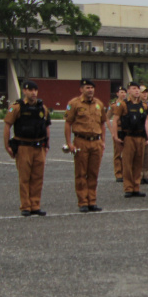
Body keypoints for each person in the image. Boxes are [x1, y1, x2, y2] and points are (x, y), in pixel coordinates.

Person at [4, 80, 50, 216]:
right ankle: (25, 206)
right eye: (30, 90)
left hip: (39, 146)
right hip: (24, 146)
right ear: (24, 91)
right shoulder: (17, 107)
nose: (33, 93)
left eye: (35, 90)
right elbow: (7, 125)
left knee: (37, 177)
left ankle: (35, 204)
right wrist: (7, 145)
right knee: (25, 178)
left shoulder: (42, 108)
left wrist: (47, 144)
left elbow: (46, 126)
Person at [64, 79, 108, 212]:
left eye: (92, 88)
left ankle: (92, 201)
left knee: (93, 173)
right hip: (81, 141)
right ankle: (83, 202)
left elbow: (102, 123)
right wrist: (69, 143)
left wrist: (103, 141)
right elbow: (68, 123)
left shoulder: (99, 104)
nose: (90, 90)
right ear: (81, 89)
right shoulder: (74, 103)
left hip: (96, 141)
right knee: (81, 173)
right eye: (87, 87)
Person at [110, 82, 148, 198]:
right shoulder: (123, 105)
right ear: (129, 91)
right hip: (128, 137)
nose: (137, 91)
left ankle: (136, 187)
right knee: (127, 163)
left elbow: (147, 122)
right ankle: (128, 187)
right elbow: (115, 120)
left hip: (140, 137)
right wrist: (115, 136)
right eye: (134, 89)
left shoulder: (144, 106)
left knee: (138, 163)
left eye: (138, 89)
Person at [107, 86, 126, 183]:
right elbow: (107, 118)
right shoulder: (114, 105)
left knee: (127, 153)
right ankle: (118, 173)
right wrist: (111, 131)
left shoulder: (128, 104)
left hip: (127, 131)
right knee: (118, 153)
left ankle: (126, 173)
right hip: (118, 129)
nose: (123, 94)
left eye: (124, 92)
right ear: (117, 94)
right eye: (121, 92)